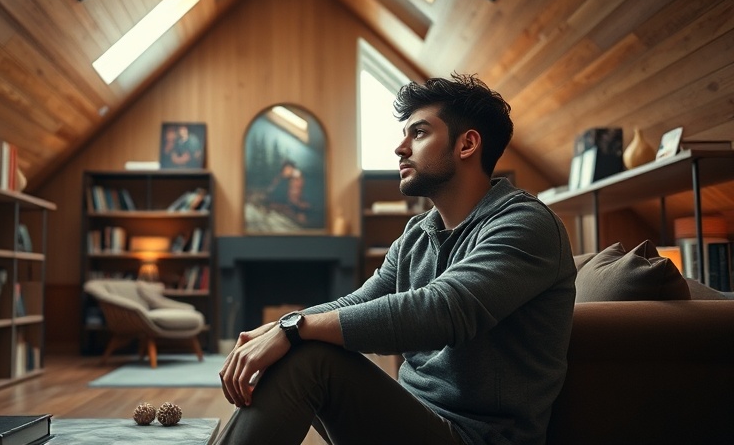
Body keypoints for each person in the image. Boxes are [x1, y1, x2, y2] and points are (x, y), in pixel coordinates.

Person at [215, 73, 576, 445]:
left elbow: (444, 310)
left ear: (467, 144)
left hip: (475, 436)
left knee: (308, 357)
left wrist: (293, 329)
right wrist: (285, 327)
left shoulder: (526, 224)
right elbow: (360, 301)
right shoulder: (417, 233)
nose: (400, 148)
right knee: (301, 345)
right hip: (413, 415)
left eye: (418, 133)